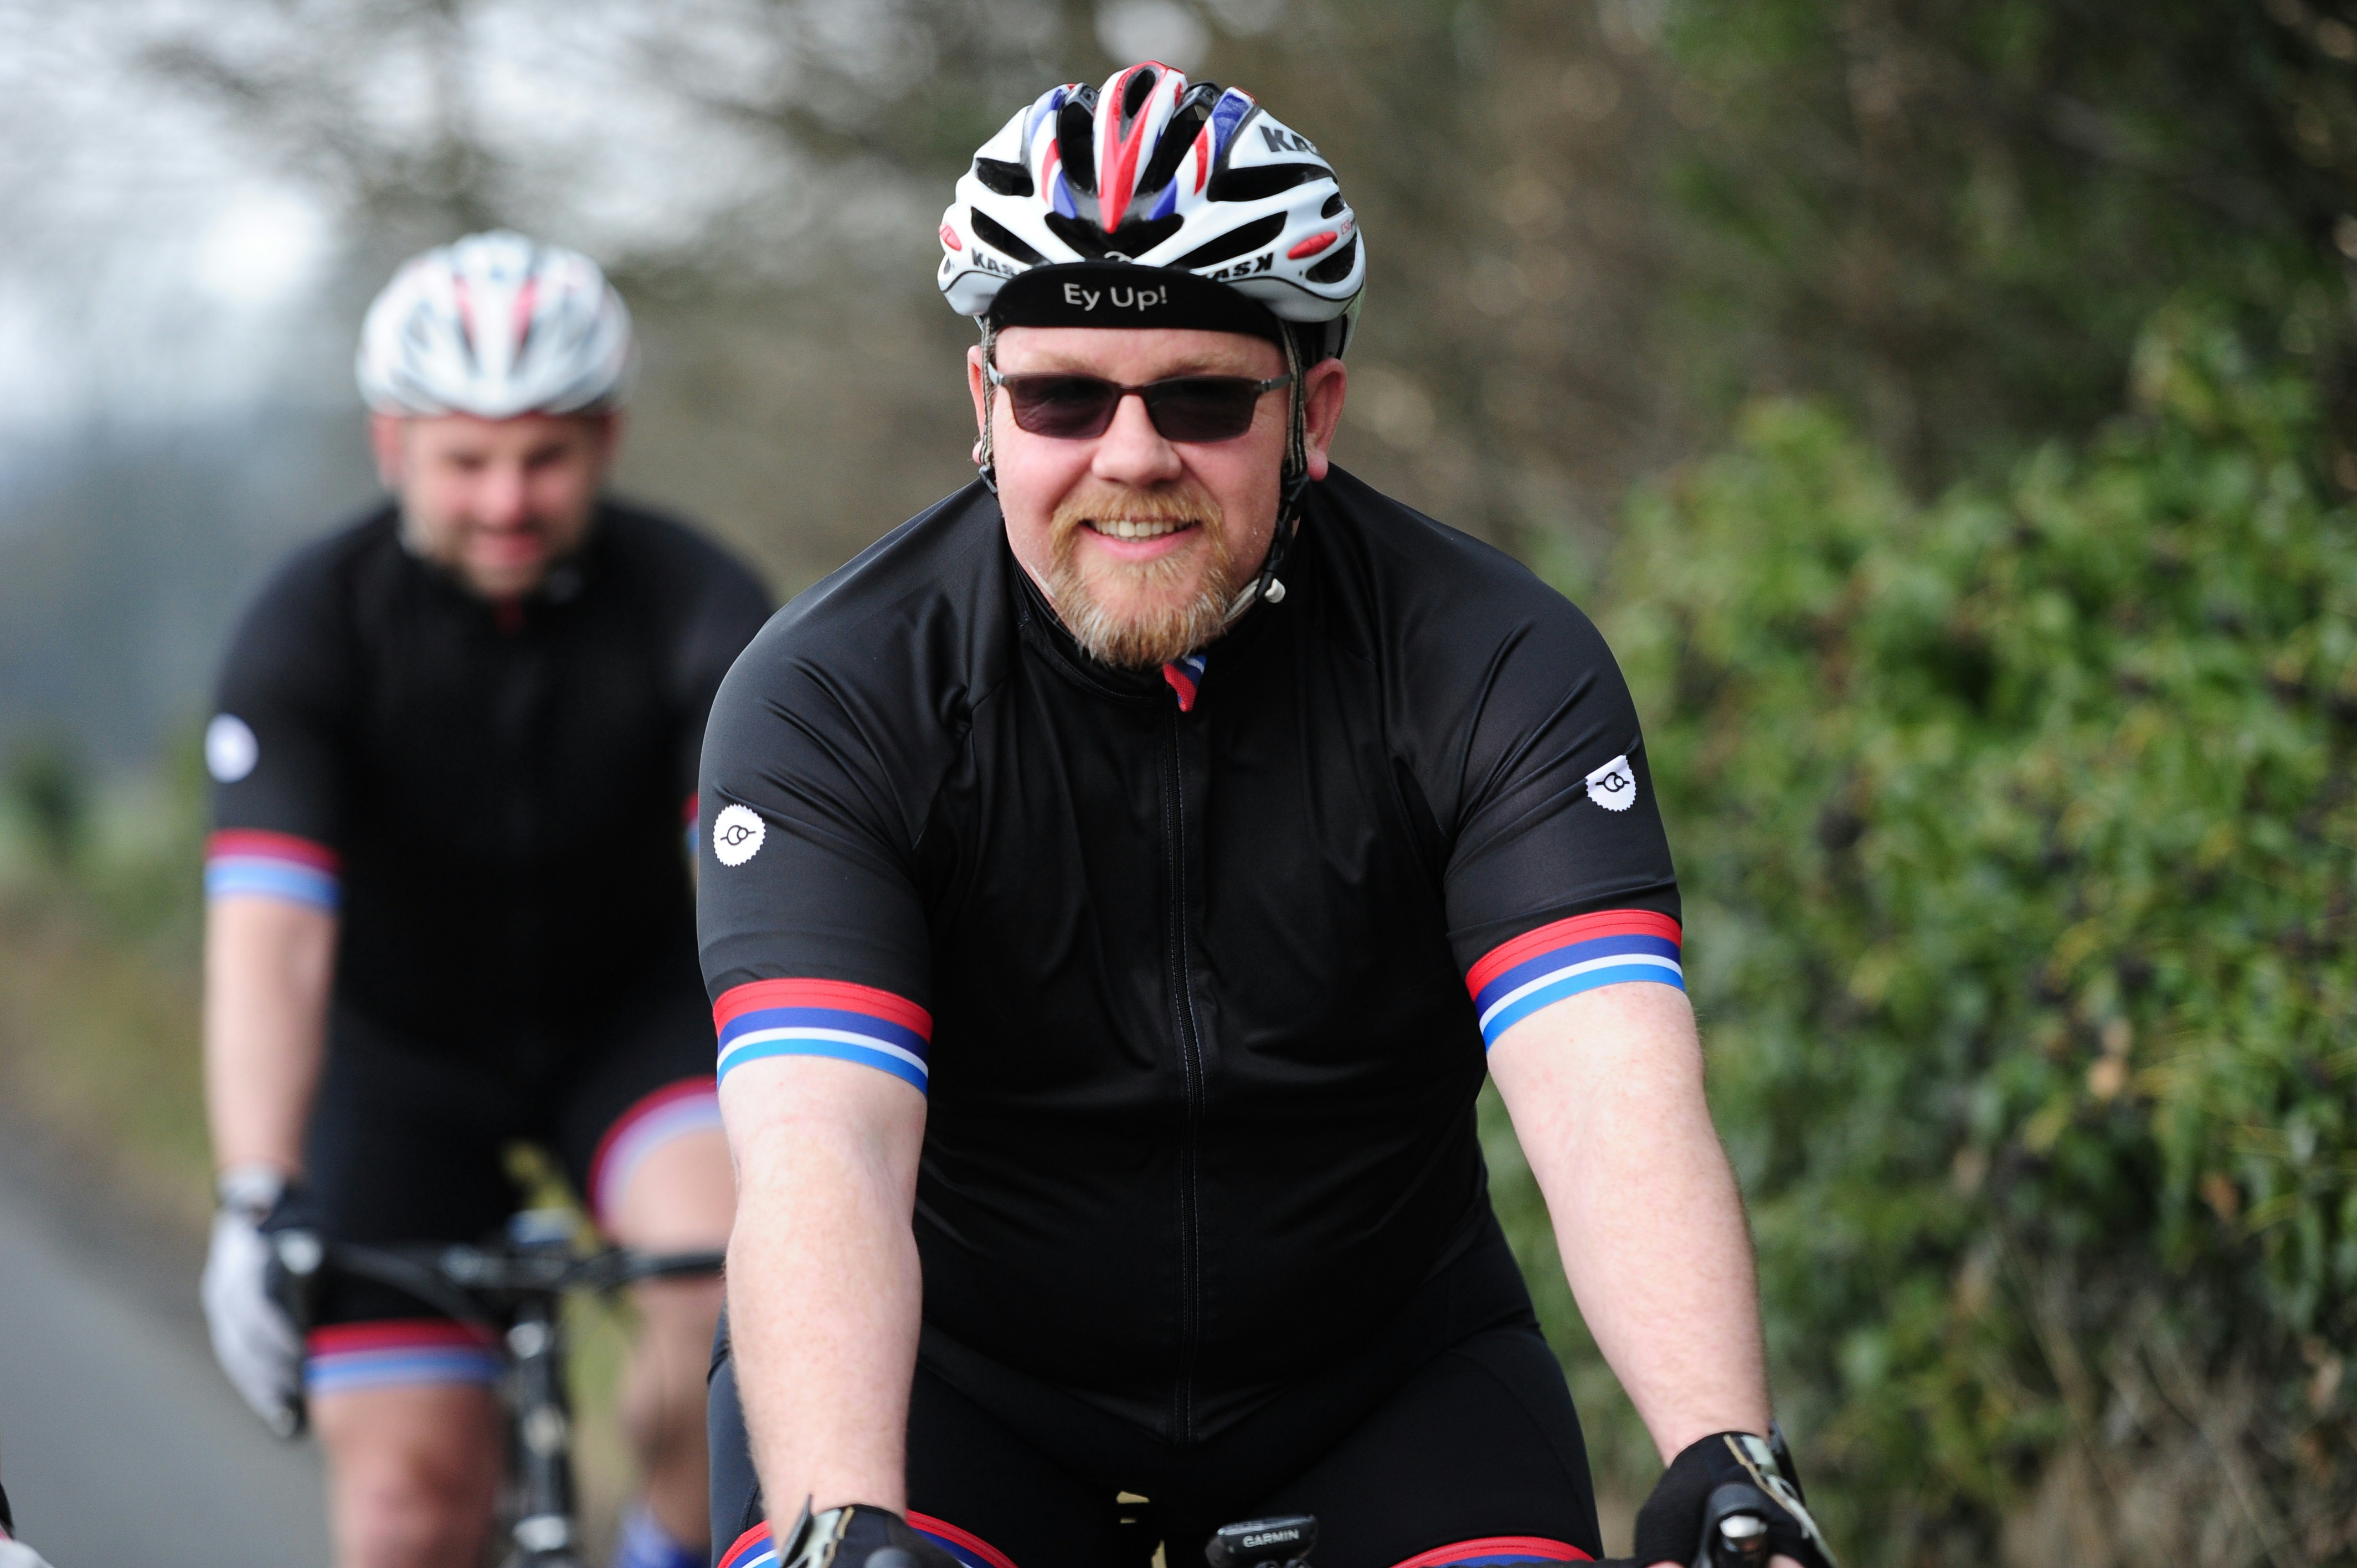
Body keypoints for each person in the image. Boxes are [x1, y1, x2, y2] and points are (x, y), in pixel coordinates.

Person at [698, 63, 1839, 1568]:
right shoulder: (835, 693)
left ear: (1314, 412)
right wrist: (844, 1512)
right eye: (1062, 397)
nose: (1130, 457)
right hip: (955, 1399)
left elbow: (1606, 1085)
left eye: (1202, 397)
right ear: (985, 407)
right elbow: (821, 1145)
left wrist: (1721, 1448)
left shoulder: (1487, 660)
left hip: (1389, 1386)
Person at [198, 231, 770, 1568]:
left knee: (731, 1308)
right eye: (467, 459)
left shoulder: (698, 601)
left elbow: (771, 887)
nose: (507, 498)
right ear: (392, 446)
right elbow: (271, 936)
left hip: (629, 1034)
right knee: (408, 1512)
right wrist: (252, 1193)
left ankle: (657, 1550)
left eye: (547, 455)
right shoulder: (307, 623)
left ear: (609, 438)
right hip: (397, 1061)